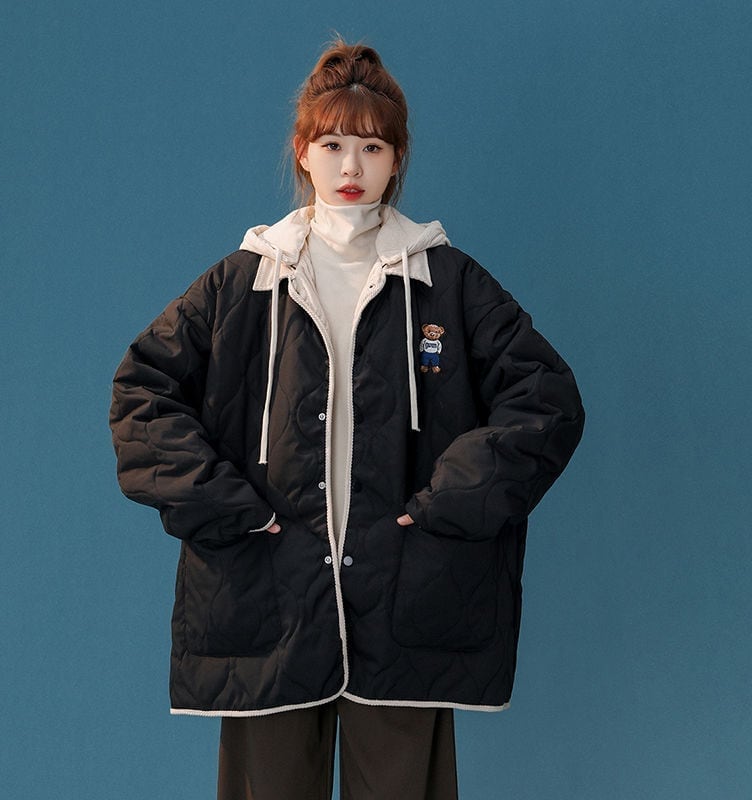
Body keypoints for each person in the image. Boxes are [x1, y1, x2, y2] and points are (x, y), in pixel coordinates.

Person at [109, 39, 585, 800]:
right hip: (265, 596)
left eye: (372, 146)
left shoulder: (448, 283)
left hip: (409, 597)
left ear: (397, 158)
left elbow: (547, 401)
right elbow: (141, 396)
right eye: (332, 144)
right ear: (303, 153)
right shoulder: (243, 282)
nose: (351, 166)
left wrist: (447, 504)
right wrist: (231, 508)